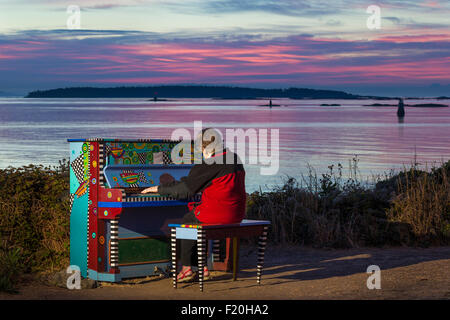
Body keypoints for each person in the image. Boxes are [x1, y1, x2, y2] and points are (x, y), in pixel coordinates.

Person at [141, 128, 246, 282]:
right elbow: (211, 184)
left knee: (188, 220)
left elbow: (185, 191)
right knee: (195, 218)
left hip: (219, 214)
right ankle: (201, 267)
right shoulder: (234, 158)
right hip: (236, 214)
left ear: (205, 148)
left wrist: (158, 188)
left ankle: (187, 268)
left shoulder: (211, 163)